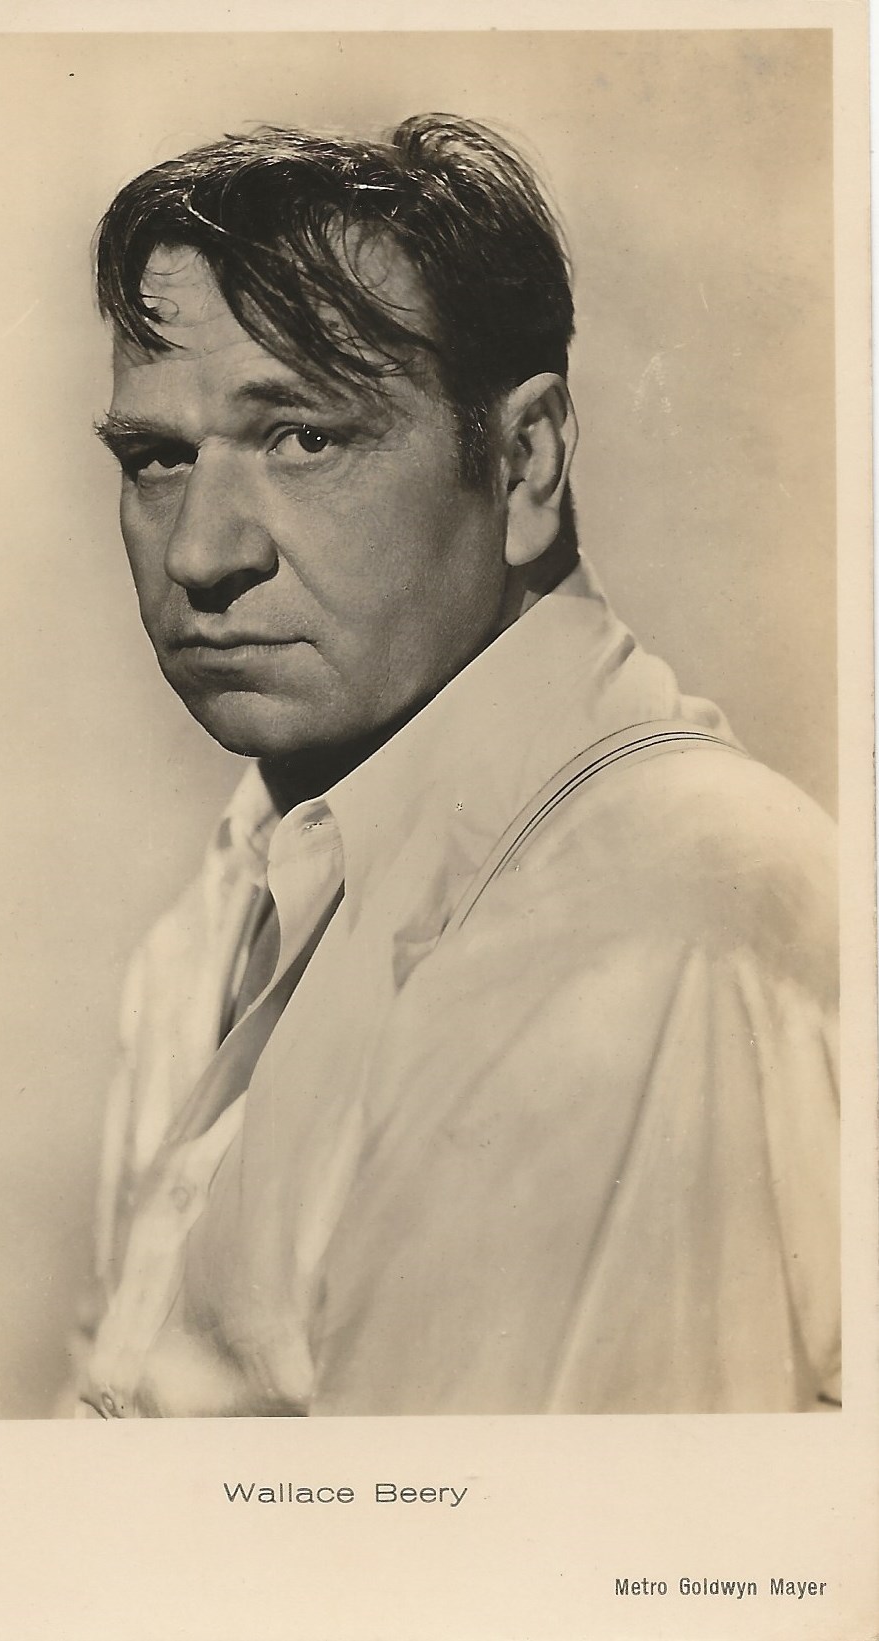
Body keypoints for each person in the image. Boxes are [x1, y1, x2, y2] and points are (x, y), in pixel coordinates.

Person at [66, 114, 839, 1418]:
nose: (201, 553)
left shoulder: (651, 925)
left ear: (525, 462)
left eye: (304, 437)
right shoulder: (236, 902)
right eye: (158, 458)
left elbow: (505, 1542)